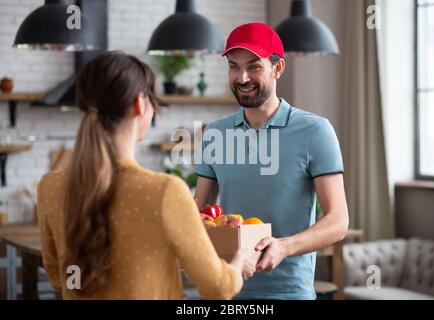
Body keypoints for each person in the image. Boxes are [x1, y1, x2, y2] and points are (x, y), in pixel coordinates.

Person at [37, 51, 258, 300]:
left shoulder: (50, 187)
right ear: (140, 104)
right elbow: (219, 287)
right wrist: (240, 261)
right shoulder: (165, 191)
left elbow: (57, 275)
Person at [194, 22, 349, 300]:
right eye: (233, 66)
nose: (242, 78)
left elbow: (338, 221)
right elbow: (200, 213)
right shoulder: (215, 134)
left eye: (254, 67)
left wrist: (284, 247)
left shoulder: (315, 131)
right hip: (228, 290)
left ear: (277, 69)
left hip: (289, 293)